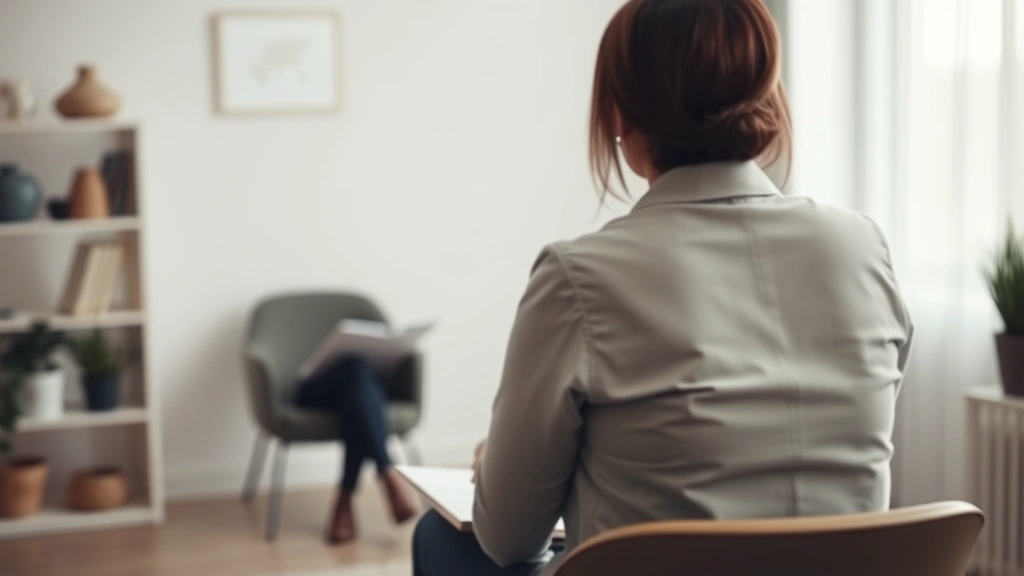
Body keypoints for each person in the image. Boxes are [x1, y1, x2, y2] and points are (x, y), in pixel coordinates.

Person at [412, 0, 914, 575]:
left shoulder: (579, 278)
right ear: (766, 96)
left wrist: (501, 469)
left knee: (440, 538)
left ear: (621, 116)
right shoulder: (863, 247)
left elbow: (508, 539)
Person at [294, 354, 418, 544]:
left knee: (357, 392)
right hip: (315, 388)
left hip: (364, 386)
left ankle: (345, 497)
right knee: (355, 373)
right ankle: (386, 471)